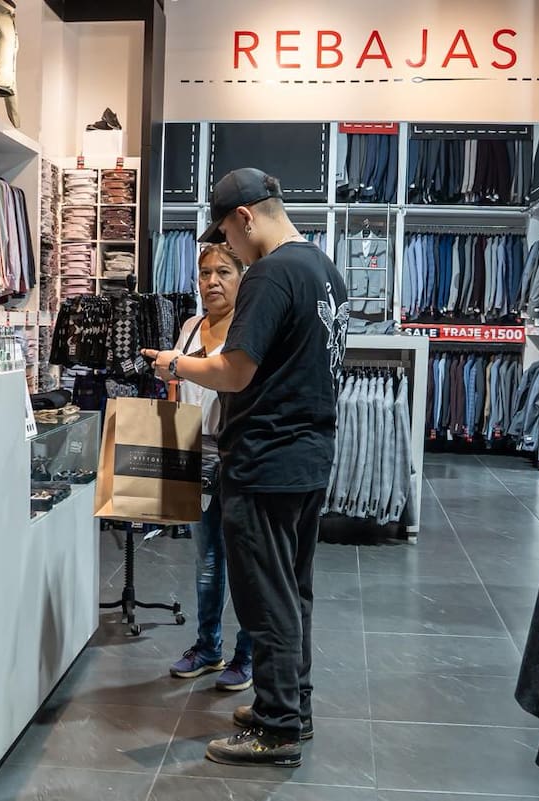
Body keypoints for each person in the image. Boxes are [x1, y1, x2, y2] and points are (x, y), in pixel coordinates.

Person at [142, 168, 349, 768]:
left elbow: (235, 370)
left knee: (265, 597)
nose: (228, 251)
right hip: (310, 455)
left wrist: (176, 365)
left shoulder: (271, 273)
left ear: (247, 218)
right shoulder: (324, 271)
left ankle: (276, 727)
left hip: (265, 458)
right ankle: (292, 706)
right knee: (294, 590)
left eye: (227, 238)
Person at [167, 242, 254, 693]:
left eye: (223, 272)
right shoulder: (190, 327)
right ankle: (207, 647)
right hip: (195, 452)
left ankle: (247, 654)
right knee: (206, 558)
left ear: (242, 277)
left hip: (237, 454)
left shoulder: (249, 328)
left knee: (244, 562)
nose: (212, 282)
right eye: (204, 274)